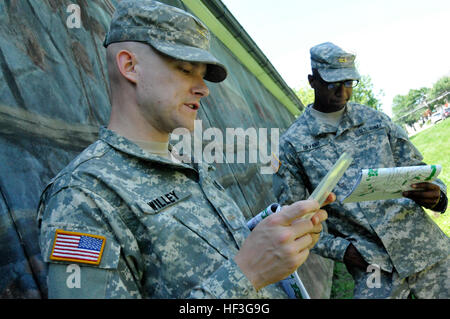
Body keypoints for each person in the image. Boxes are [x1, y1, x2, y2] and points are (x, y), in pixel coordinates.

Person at [37, 0, 331, 299]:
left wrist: (268, 240)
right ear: (130, 66)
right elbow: (243, 273)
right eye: (185, 69)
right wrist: (248, 273)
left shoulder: (190, 164)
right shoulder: (84, 197)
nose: (203, 88)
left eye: (202, 74)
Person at [273, 42, 449, 299]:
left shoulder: (375, 120)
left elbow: (418, 168)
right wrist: (344, 251)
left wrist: (437, 195)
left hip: (424, 249)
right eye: (333, 84)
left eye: (349, 83)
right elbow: (296, 221)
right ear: (313, 81)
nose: (343, 93)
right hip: (372, 266)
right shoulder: (293, 145)